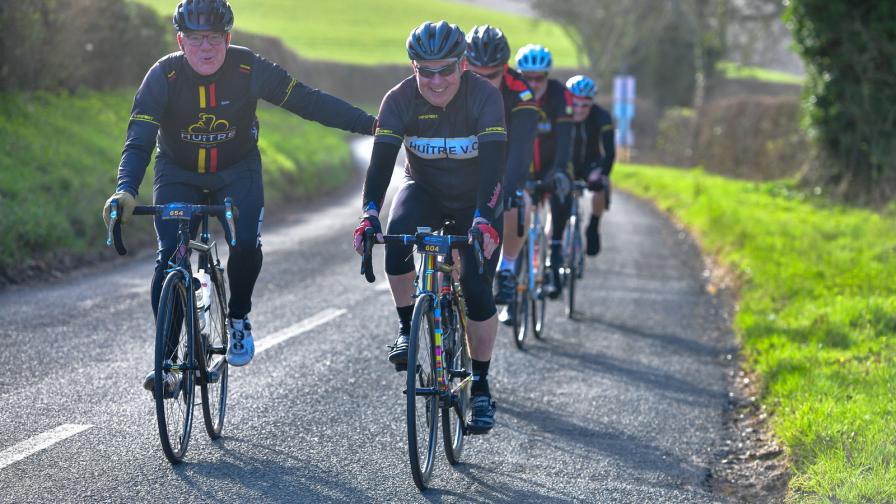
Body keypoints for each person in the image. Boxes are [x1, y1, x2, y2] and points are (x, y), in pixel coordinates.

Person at [102, 0, 376, 390]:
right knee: (169, 260)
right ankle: (165, 363)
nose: (206, 48)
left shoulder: (249, 69)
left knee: (245, 242)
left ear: (228, 38)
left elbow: (308, 101)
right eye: (196, 39)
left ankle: (238, 317)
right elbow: (139, 139)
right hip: (178, 171)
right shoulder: (163, 75)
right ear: (180, 40)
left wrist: (370, 125)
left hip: (237, 170)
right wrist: (126, 189)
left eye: (214, 38)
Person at [352, 21, 505, 433]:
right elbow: (381, 163)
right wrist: (369, 214)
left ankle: (482, 387)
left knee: (475, 287)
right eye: (425, 70)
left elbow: (494, 167)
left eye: (445, 70)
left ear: (463, 66)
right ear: (413, 67)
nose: (436, 81)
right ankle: (407, 327)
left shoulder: (485, 98)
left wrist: (483, 222)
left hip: (477, 200)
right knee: (397, 236)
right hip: (424, 190)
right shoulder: (398, 100)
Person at [464, 25, 539, 313]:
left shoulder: (521, 92)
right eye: (477, 74)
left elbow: (521, 149)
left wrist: (508, 187)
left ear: (505, 68)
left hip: (507, 162)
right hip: (466, 164)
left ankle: (507, 268)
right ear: (465, 65)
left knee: (517, 202)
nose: (483, 81)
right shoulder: (453, 84)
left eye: (491, 75)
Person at [514, 43, 574, 299]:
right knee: (514, 212)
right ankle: (511, 285)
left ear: (548, 76)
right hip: (521, 164)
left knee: (563, 188)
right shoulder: (513, 94)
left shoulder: (561, 96)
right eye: (527, 77)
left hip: (551, 162)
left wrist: (559, 171)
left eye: (539, 78)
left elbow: (565, 138)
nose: (534, 83)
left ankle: (557, 245)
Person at [566, 75, 615, 256]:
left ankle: (593, 226)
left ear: (592, 103)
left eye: (585, 105)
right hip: (567, 162)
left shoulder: (602, 116)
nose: (579, 109)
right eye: (575, 103)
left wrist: (602, 174)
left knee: (602, 184)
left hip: (591, 163)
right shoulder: (561, 113)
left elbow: (609, 152)